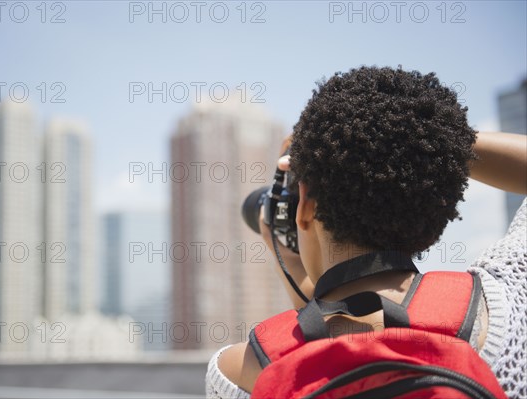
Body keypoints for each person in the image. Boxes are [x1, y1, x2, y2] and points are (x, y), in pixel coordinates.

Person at [205, 66, 526, 398]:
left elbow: (328, 342)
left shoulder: (239, 371)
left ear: (305, 206)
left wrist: (282, 255)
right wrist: (435, 139)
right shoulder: (506, 311)